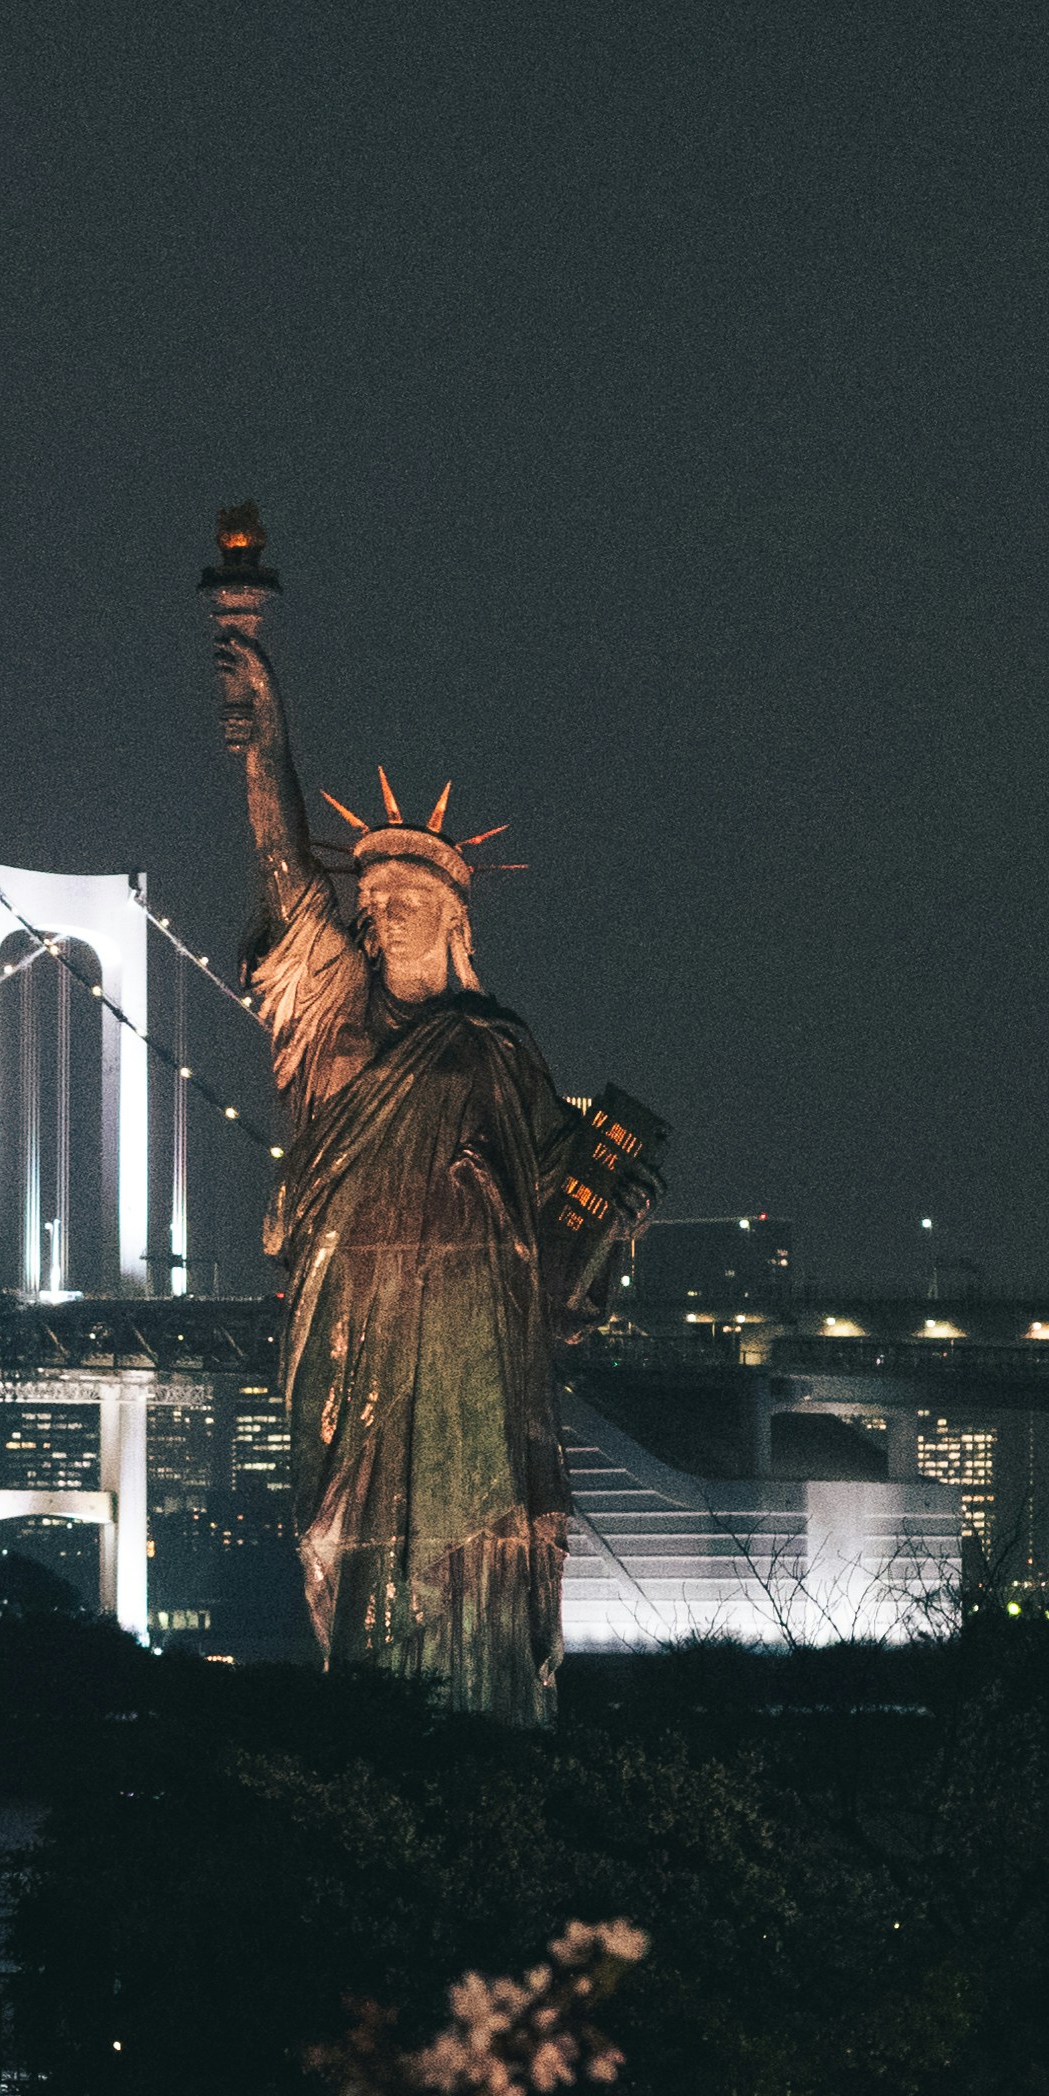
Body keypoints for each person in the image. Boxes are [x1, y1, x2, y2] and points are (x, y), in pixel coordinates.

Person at [209, 506, 648, 1719]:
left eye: (408, 899)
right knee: (356, 1559)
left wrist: (618, 1191)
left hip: (472, 1346)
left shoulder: (495, 1046)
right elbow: (284, 879)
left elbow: (569, 1185)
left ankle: (479, 1742)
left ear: (457, 920)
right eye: (375, 898)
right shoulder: (332, 1029)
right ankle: (379, 1739)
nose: (383, 911)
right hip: (355, 1328)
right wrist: (264, 738)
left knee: (478, 1549)